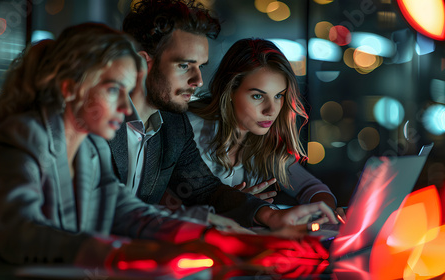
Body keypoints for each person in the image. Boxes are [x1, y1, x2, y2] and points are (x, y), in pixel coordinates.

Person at [0, 23, 297, 268]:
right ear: (71, 88)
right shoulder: (23, 135)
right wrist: (119, 252)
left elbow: (126, 211)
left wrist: (206, 235)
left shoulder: (90, 148)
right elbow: (17, 233)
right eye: (115, 90)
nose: (126, 107)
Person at [115, 0, 339, 229]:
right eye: (184, 66)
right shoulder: (102, 124)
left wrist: (268, 215)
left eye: (200, 67)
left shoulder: (172, 124)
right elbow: (122, 214)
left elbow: (206, 190)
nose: (199, 81)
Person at [188, 38, 343, 216]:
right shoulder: (188, 128)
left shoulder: (267, 143)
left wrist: (325, 214)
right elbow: (160, 207)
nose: (271, 110)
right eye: (257, 96)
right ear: (230, 90)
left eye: (278, 96)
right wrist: (230, 206)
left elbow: (312, 188)